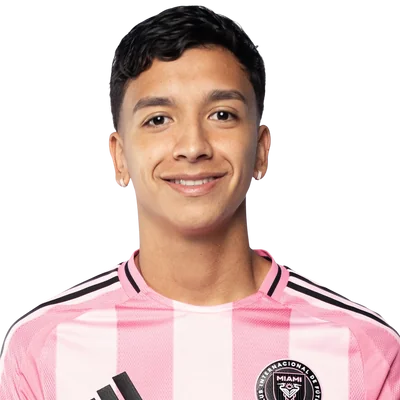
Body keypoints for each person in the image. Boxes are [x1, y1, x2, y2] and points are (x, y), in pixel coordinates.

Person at [0, 5, 398, 400]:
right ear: (118, 157)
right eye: (158, 119)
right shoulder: (42, 347)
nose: (192, 147)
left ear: (262, 150)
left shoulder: (366, 349)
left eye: (222, 114)